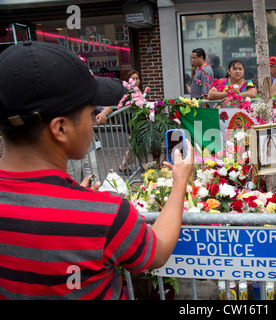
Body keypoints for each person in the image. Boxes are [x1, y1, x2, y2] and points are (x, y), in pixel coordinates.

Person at [0, 41, 194, 299]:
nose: (95, 121)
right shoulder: (105, 215)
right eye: (92, 112)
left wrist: (70, 201)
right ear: (60, 128)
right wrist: (180, 180)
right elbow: (157, 252)